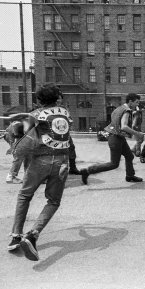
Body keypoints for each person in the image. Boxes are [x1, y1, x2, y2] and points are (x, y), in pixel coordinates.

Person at [6, 84, 72, 261]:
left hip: (39, 161)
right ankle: (33, 234)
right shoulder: (65, 114)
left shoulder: (34, 115)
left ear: (39, 100)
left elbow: (21, 133)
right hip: (61, 162)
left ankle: (16, 235)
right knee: (53, 201)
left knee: (25, 196)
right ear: (57, 98)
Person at [79, 93, 144, 185]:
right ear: (130, 102)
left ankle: (130, 176)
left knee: (129, 156)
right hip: (116, 139)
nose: (137, 104)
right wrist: (138, 133)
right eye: (136, 102)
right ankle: (88, 171)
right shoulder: (127, 111)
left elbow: (117, 122)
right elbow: (124, 127)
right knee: (114, 164)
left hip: (117, 137)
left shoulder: (119, 108)